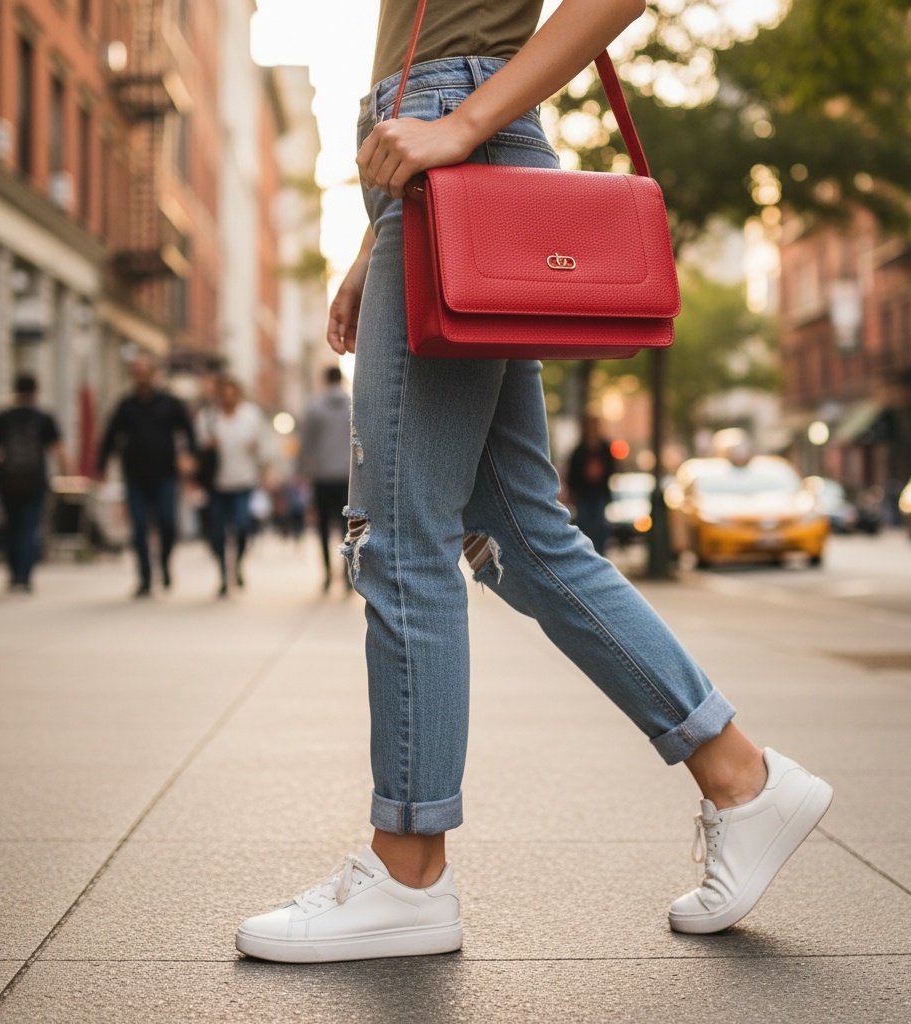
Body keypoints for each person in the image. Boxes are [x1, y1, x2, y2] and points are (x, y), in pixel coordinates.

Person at [236, 0, 833, 963]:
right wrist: (375, 237)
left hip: (464, 132)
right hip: (445, 155)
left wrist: (461, 129)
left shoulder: (464, 117)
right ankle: (740, 776)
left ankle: (408, 869)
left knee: (402, 535)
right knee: (522, 537)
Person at [98, 355, 197, 598]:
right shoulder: (126, 405)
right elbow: (110, 436)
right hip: (134, 476)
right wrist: (101, 467)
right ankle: (144, 577)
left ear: (153, 375)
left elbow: (188, 432)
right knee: (139, 526)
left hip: (165, 475)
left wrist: (189, 456)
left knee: (167, 523)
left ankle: (163, 563)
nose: (141, 376)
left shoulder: (170, 403)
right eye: (136, 372)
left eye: (144, 371)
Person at [0, 374, 69, 593]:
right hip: (35, 480)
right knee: (29, 527)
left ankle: (14, 574)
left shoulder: (4, 418)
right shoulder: (43, 417)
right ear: (36, 391)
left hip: (8, 481)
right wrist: (68, 476)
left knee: (11, 527)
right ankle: (25, 578)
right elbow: (59, 450)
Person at [196, 376, 266, 598]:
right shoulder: (207, 418)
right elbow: (197, 450)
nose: (228, 397)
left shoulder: (251, 415)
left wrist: (260, 456)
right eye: (223, 392)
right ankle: (223, 575)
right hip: (216, 484)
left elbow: (264, 446)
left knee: (243, 526)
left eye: (231, 392)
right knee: (217, 533)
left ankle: (237, 564)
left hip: (243, 481)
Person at [297, 366, 352, 593]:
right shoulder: (353, 403)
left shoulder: (314, 407)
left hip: (321, 475)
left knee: (321, 527)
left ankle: (328, 574)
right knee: (346, 527)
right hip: (348, 476)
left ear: (324, 380)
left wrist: (301, 471)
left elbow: (305, 444)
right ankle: (348, 573)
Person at [567, 414, 616, 554]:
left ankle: (599, 553)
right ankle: (587, 554)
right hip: (584, 495)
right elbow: (573, 473)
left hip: (599, 494)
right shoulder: (579, 450)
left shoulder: (604, 448)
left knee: (600, 527)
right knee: (585, 527)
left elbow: (611, 469)